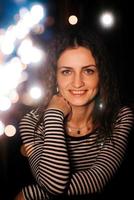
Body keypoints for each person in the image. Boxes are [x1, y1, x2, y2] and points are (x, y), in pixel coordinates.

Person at [15, 27, 134, 200]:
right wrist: (54, 115)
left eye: (88, 71)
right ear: (55, 77)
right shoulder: (32, 123)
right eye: (66, 71)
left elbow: (95, 181)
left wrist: (32, 194)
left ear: (102, 76)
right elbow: (52, 182)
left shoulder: (120, 117)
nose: (77, 83)